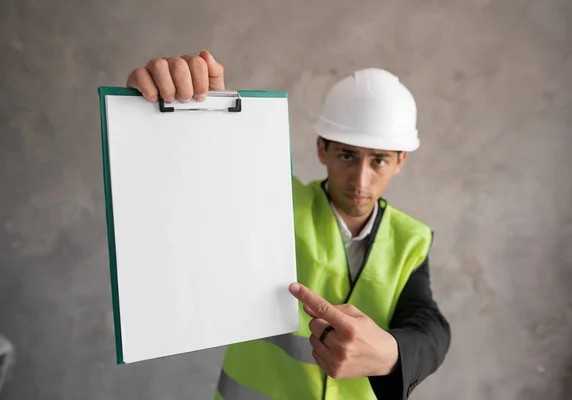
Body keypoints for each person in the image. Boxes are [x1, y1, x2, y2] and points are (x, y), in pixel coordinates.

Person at [126, 49, 451, 400]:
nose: (361, 180)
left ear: (400, 160)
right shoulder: (276, 202)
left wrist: (392, 354)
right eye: (347, 155)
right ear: (321, 149)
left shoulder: (411, 239)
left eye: (379, 161)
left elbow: (429, 326)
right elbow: (209, 180)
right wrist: (193, 115)